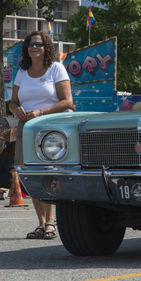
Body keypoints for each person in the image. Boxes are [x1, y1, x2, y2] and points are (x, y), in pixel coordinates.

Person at [9, 31, 73, 239]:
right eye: (30, 44)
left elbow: (68, 102)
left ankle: (51, 222)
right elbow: (13, 101)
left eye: (38, 44)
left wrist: (41, 112)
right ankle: (41, 223)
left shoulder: (56, 68)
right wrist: (15, 109)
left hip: (50, 128)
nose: (34, 47)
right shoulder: (22, 71)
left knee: (48, 173)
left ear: (46, 47)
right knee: (31, 175)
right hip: (26, 128)